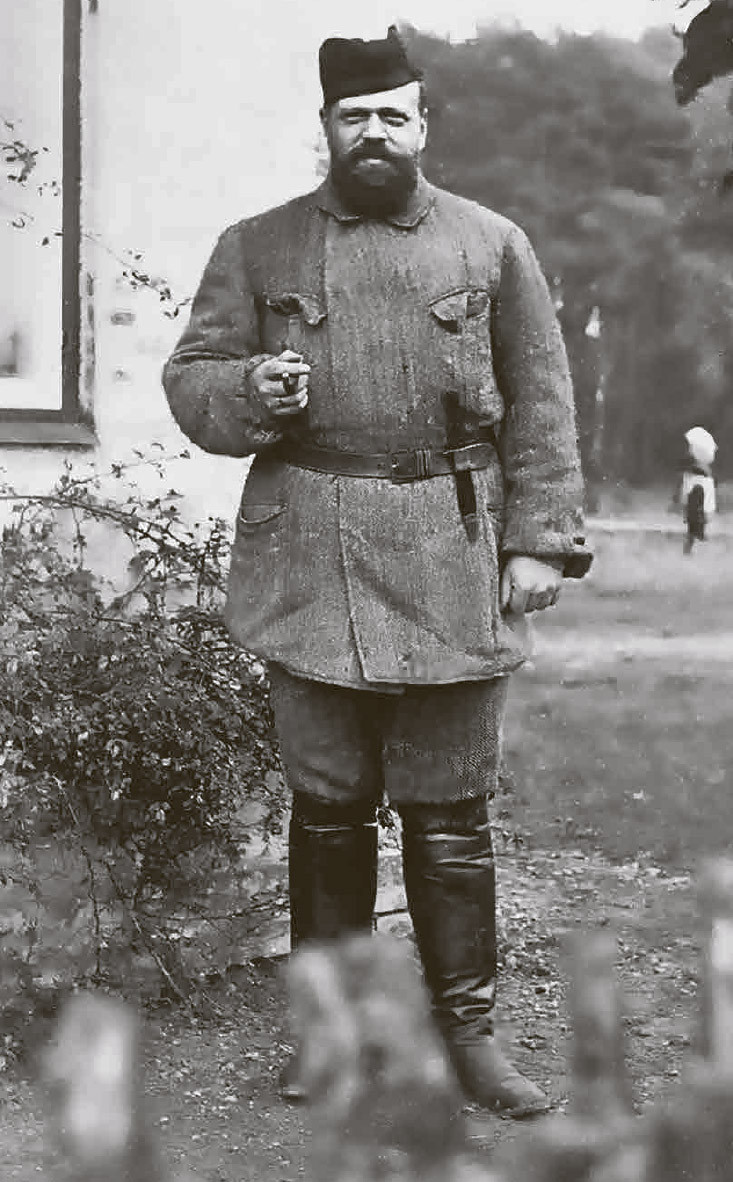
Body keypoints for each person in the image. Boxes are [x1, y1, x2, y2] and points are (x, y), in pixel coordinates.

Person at [163, 27, 592, 1118]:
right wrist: (250, 390)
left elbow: (542, 403)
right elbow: (193, 378)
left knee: (449, 815)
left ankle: (469, 1036)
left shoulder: (490, 245)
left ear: (423, 126)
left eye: (393, 115)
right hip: (307, 557)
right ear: (324, 128)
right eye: (354, 116)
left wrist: (538, 539)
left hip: (451, 551)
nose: (374, 133)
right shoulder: (257, 246)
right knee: (328, 811)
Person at [680, 426, 717, 555]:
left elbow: (687, 489)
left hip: (694, 502)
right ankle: (689, 550)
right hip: (697, 503)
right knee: (694, 528)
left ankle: (688, 550)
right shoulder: (703, 469)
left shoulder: (693, 466)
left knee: (692, 528)